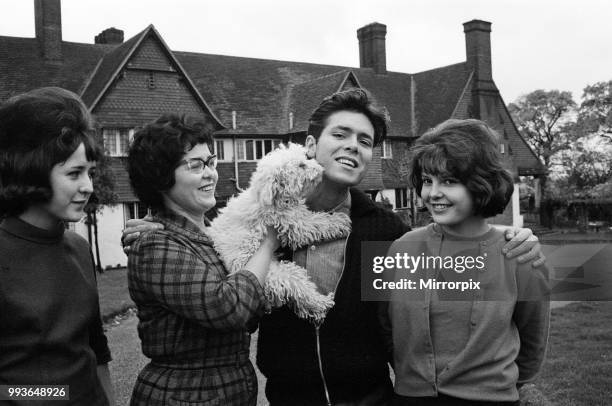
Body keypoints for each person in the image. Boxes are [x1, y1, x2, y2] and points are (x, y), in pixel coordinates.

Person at [122, 89, 545, 405]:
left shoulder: (386, 231)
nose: (352, 146)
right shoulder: (253, 222)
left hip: (371, 399)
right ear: (310, 146)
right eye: (340, 134)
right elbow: (207, 261)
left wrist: (509, 240)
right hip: (288, 398)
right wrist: (156, 224)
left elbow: (420, 323)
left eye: (364, 141)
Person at [385, 119, 550, 406]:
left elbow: (533, 342)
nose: (433, 193)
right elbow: (386, 328)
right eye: (427, 180)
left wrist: (494, 386)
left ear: (480, 183)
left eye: (449, 181)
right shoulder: (403, 249)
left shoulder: (519, 256)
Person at [125, 114, 278, 405]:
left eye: (210, 162)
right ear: (161, 176)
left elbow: (251, 312)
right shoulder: (154, 242)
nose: (210, 173)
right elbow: (229, 308)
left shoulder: (214, 234)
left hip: (229, 391)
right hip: (183, 395)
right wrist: (269, 242)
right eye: (195, 165)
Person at [0, 87, 114, 405]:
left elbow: (97, 350)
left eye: (90, 173)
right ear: (32, 169)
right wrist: (55, 392)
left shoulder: (78, 248)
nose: (88, 187)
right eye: (74, 173)